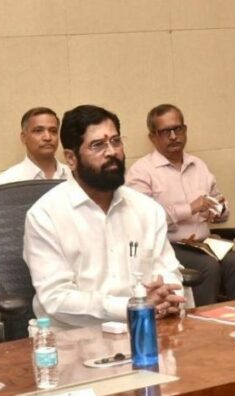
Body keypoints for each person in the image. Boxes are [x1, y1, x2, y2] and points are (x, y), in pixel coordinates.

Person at [23, 104, 184, 329]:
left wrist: (166, 297)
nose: (112, 152)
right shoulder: (45, 215)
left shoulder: (147, 209)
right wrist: (132, 307)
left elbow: (169, 271)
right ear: (71, 158)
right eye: (98, 145)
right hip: (74, 338)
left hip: (146, 328)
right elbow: (56, 299)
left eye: (116, 141)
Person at [126, 104, 235, 304]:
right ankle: (200, 321)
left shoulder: (198, 165)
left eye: (178, 129)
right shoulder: (141, 171)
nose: (173, 136)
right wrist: (190, 209)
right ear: (152, 137)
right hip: (169, 246)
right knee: (208, 266)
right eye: (166, 131)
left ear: (185, 130)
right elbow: (142, 221)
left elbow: (220, 203)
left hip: (204, 244)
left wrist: (218, 211)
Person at [0, 107, 71, 185]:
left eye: (53, 131)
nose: (48, 137)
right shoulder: (8, 180)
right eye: (38, 131)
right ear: (24, 137)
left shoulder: (73, 175)